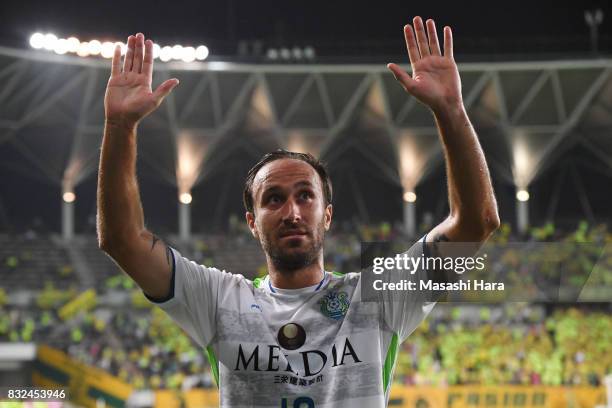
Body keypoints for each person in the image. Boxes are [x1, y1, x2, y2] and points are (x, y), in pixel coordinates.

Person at [97, 16, 499, 408]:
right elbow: (121, 240)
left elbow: (477, 222)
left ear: (327, 215)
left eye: (306, 196)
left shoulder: (376, 298)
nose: (291, 211)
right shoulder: (221, 302)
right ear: (253, 223)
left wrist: (451, 110)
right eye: (273, 198)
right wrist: (120, 126)